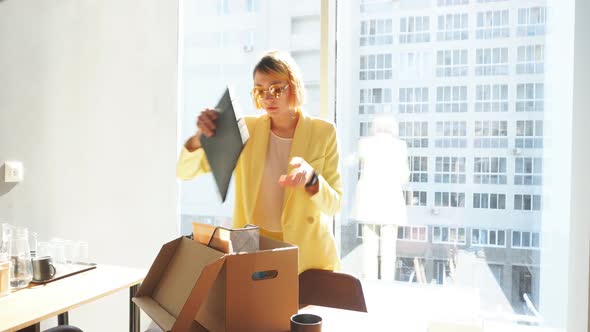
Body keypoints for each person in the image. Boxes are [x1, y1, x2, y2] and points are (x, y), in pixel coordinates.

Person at [176, 50, 342, 273]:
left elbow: (335, 204)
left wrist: (311, 179)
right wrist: (200, 138)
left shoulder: (323, 132)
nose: (267, 97)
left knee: (301, 308)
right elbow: (185, 172)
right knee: (255, 307)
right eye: (260, 90)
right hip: (252, 245)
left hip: (307, 251)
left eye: (276, 89)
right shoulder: (247, 129)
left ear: (294, 86)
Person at [352, 115, 409, 281]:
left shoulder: (364, 144)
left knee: (369, 248)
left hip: (368, 203)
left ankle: (369, 284)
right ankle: (386, 284)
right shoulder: (400, 146)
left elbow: (354, 164)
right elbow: (404, 177)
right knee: (388, 250)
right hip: (391, 203)